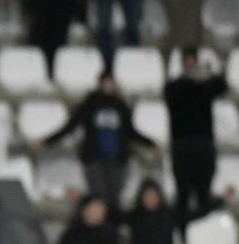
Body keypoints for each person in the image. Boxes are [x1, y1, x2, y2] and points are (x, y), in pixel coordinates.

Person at [32, 72, 155, 207]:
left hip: (117, 160)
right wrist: (46, 141)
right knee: (98, 197)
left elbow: (131, 131)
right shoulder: (90, 104)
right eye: (106, 82)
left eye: (111, 82)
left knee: (114, 199)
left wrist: (150, 143)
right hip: (94, 159)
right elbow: (70, 127)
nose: (108, 86)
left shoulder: (120, 106)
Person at [164, 49, 228, 225]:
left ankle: (202, 229)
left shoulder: (205, 86)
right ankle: (182, 230)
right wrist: (195, 80)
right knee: (183, 192)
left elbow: (222, 86)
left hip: (203, 144)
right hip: (182, 145)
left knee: (203, 190)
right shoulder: (175, 87)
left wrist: (209, 74)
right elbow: (172, 92)